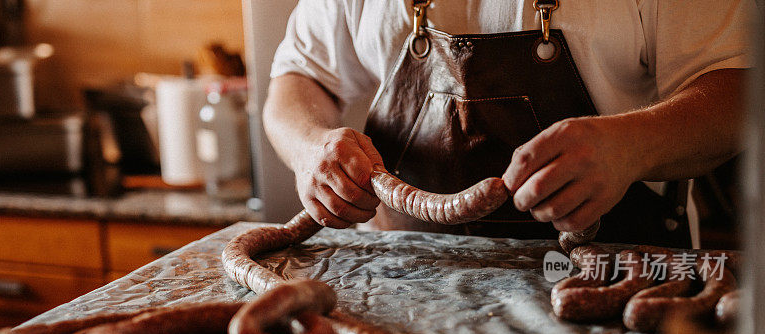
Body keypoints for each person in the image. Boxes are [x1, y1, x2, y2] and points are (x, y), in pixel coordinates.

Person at [263, 0, 749, 248]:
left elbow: (739, 87)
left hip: (615, 281)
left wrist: (632, 146)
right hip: (404, 288)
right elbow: (301, 79)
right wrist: (310, 147)